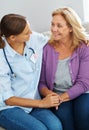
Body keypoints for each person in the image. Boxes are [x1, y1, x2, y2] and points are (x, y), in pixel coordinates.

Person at [0, 14, 63, 130]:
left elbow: (55, 39)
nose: (31, 33)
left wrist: (81, 39)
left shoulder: (33, 39)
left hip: (33, 101)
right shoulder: (2, 58)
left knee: (56, 126)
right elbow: (8, 99)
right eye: (26, 32)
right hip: (9, 108)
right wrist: (43, 103)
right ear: (13, 37)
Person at [38, 7, 89, 130]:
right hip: (57, 94)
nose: (54, 29)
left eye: (59, 26)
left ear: (71, 28)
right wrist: (51, 96)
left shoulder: (83, 47)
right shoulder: (46, 48)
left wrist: (61, 98)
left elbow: (84, 83)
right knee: (65, 122)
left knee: (83, 117)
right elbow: (41, 82)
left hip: (82, 93)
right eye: (52, 24)